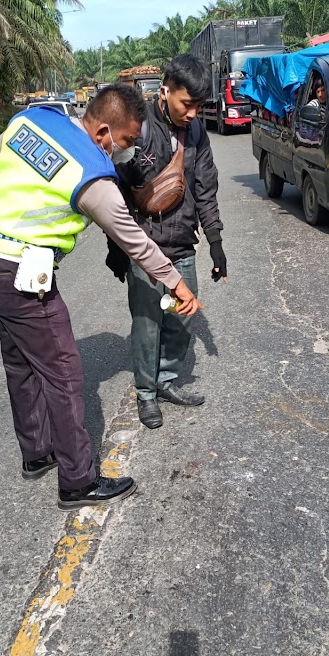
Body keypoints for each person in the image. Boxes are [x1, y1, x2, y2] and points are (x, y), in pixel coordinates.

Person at [0, 85, 202, 511]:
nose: (126, 151)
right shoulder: (92, 172)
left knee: (19, 361)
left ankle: (37, 453)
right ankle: (78, 480)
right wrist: (176, 283)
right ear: (104, 131)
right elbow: (135, 241)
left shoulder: (32, 121)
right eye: (127, 142)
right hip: (20, 276)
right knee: (65, 372)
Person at [105, 54, 226, 430]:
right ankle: (145, 394)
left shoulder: (197, 133)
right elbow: (113, 191)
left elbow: (205, 187)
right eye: (186, 104)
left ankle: (166, 380)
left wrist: (216, 241)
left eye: (199, 106)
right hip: (144, 248)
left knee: (181, 321)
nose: (192, 113)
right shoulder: (137, 129)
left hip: (181, 244)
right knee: (147, 324)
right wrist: (116, 249)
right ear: (165, 91)